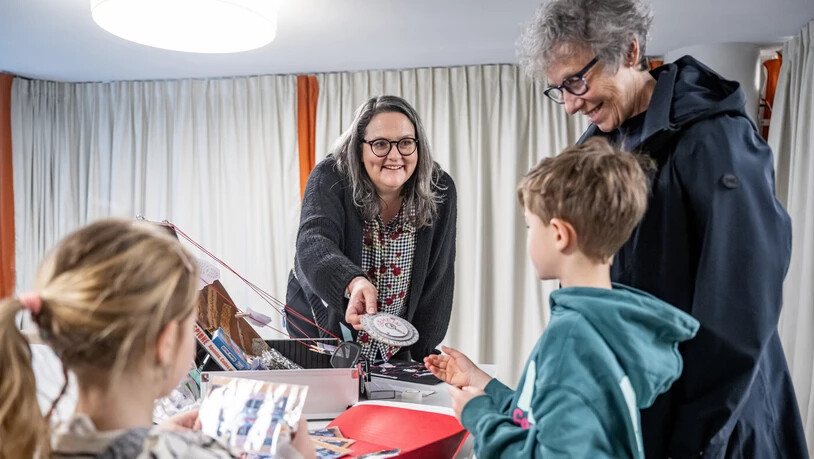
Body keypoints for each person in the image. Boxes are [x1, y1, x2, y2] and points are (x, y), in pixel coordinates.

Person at [516, 0, 808, 457]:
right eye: (559, 89)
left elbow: (742, 303)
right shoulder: (597, 147)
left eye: (577, 81)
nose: (571, 104)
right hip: (652, 405)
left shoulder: (717, 137)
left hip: (721, 422)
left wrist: (697, 437)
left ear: (630, 51)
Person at [425, 138, 699, 458]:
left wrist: (480, 415)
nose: (528, 236)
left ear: (559, 234)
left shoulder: (573, 339)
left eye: (530, 226)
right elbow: (545, 419)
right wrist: (482, 383)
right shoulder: (607, 324)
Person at [0, 219, 314, 459]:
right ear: (164, 344)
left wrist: (155, 437)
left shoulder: (42, 445)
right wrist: (298, 446)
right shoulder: (196, 453)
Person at [286, 95, 457, 362]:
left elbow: (439, 277)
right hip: (322, 326)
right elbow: (313, 243)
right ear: (359, 148)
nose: (394, 155)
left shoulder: (440, 188)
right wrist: (352, 282)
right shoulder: (330, 176)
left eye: (405, 143)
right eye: (380, 144)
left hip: (395, 339)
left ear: (418, 146)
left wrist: (420, 356)